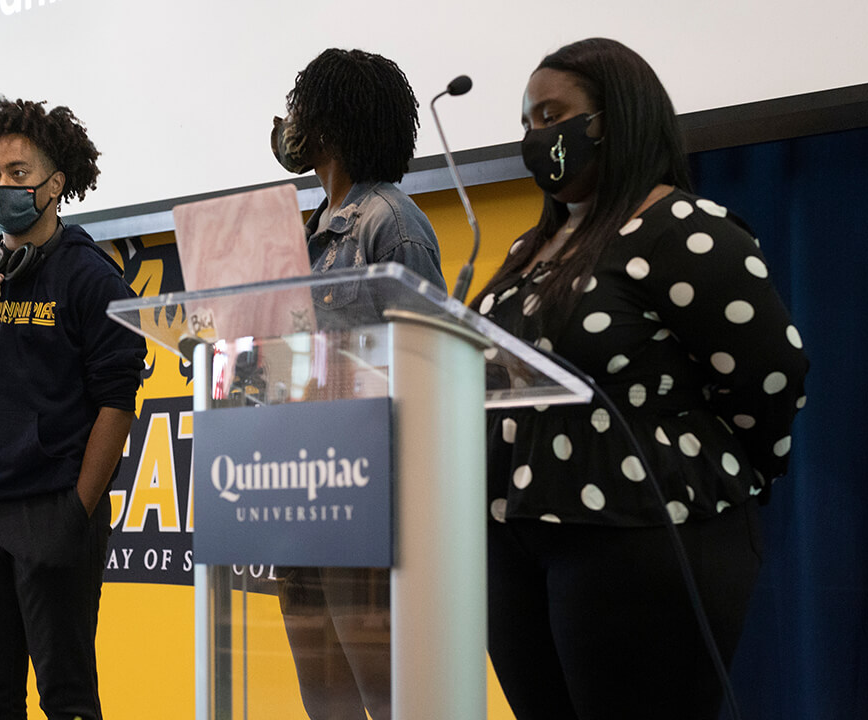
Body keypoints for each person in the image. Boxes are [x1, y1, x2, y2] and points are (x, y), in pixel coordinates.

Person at [473, 38, 808, 720]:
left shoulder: (682, 229)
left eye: (550, 116)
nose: (537, 137)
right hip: (514, 539)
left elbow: (770, 375)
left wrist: (713, 471)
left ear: (616, 118)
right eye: (527, 124)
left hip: (641, 536)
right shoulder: (529, 247)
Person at [0, 96, 145, 720]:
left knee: (66, 699)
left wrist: (76, 512)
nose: (2, 187)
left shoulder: (91, 278)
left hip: (50, 510)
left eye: (18, 173)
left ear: (55, 184)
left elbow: (117, 404)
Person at [269, 48, 446, 720]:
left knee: (388, 699)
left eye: (300, 107)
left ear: (329, 122)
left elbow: (426, 368)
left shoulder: (391, 224)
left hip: (365, 495)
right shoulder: (304, 230)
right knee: (329, 706)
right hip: (296, 490)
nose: (288, 123)